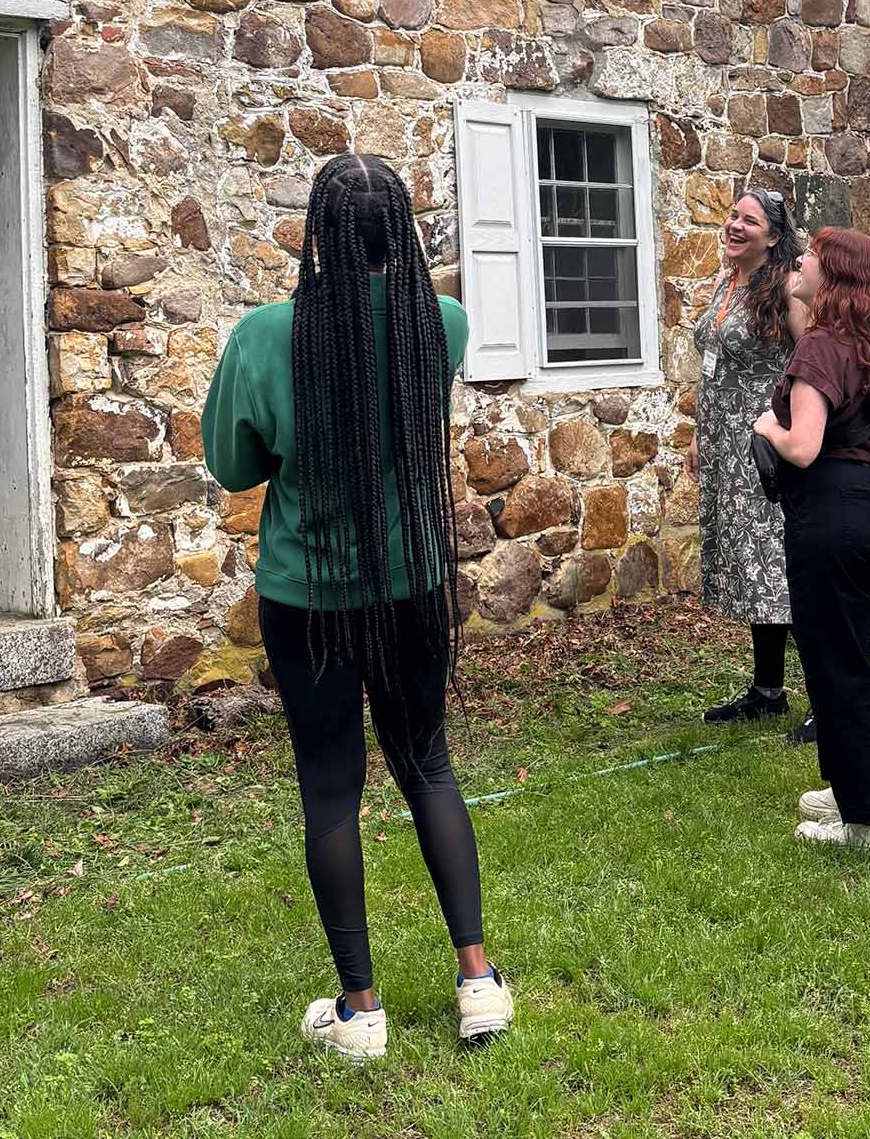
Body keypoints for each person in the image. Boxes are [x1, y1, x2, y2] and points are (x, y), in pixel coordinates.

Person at [202, 155, 513, 1063]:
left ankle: (361, 1008)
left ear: (320, 234)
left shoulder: (266, 337)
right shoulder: (440, 323)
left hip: (309, 598)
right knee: (429, 767)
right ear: (402, 232)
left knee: (332, 789)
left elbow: (234, 466)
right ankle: (478, 982)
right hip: (415, 584)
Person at [752, 227, 870, 856]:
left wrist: (768, 423)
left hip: (836, 514)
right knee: (844, 651)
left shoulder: (822, 345)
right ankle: (846, 783)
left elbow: (803, 444)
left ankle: (864, 821)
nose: (797, 260)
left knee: (836, 663)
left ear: (836, 274)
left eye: (810, 256)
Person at [688, 189, 814, 742]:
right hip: (723, 443)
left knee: (781, 563)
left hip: (767, 441)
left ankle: (824, 697)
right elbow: (713, 368)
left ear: (773, 234)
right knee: (752, 566)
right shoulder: (728, 280)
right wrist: (700, 434)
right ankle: (768, 691)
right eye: (733, 215)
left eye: (750, 220)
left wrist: (793, 428)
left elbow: (814, 361)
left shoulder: (786, 286)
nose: (735, 225)